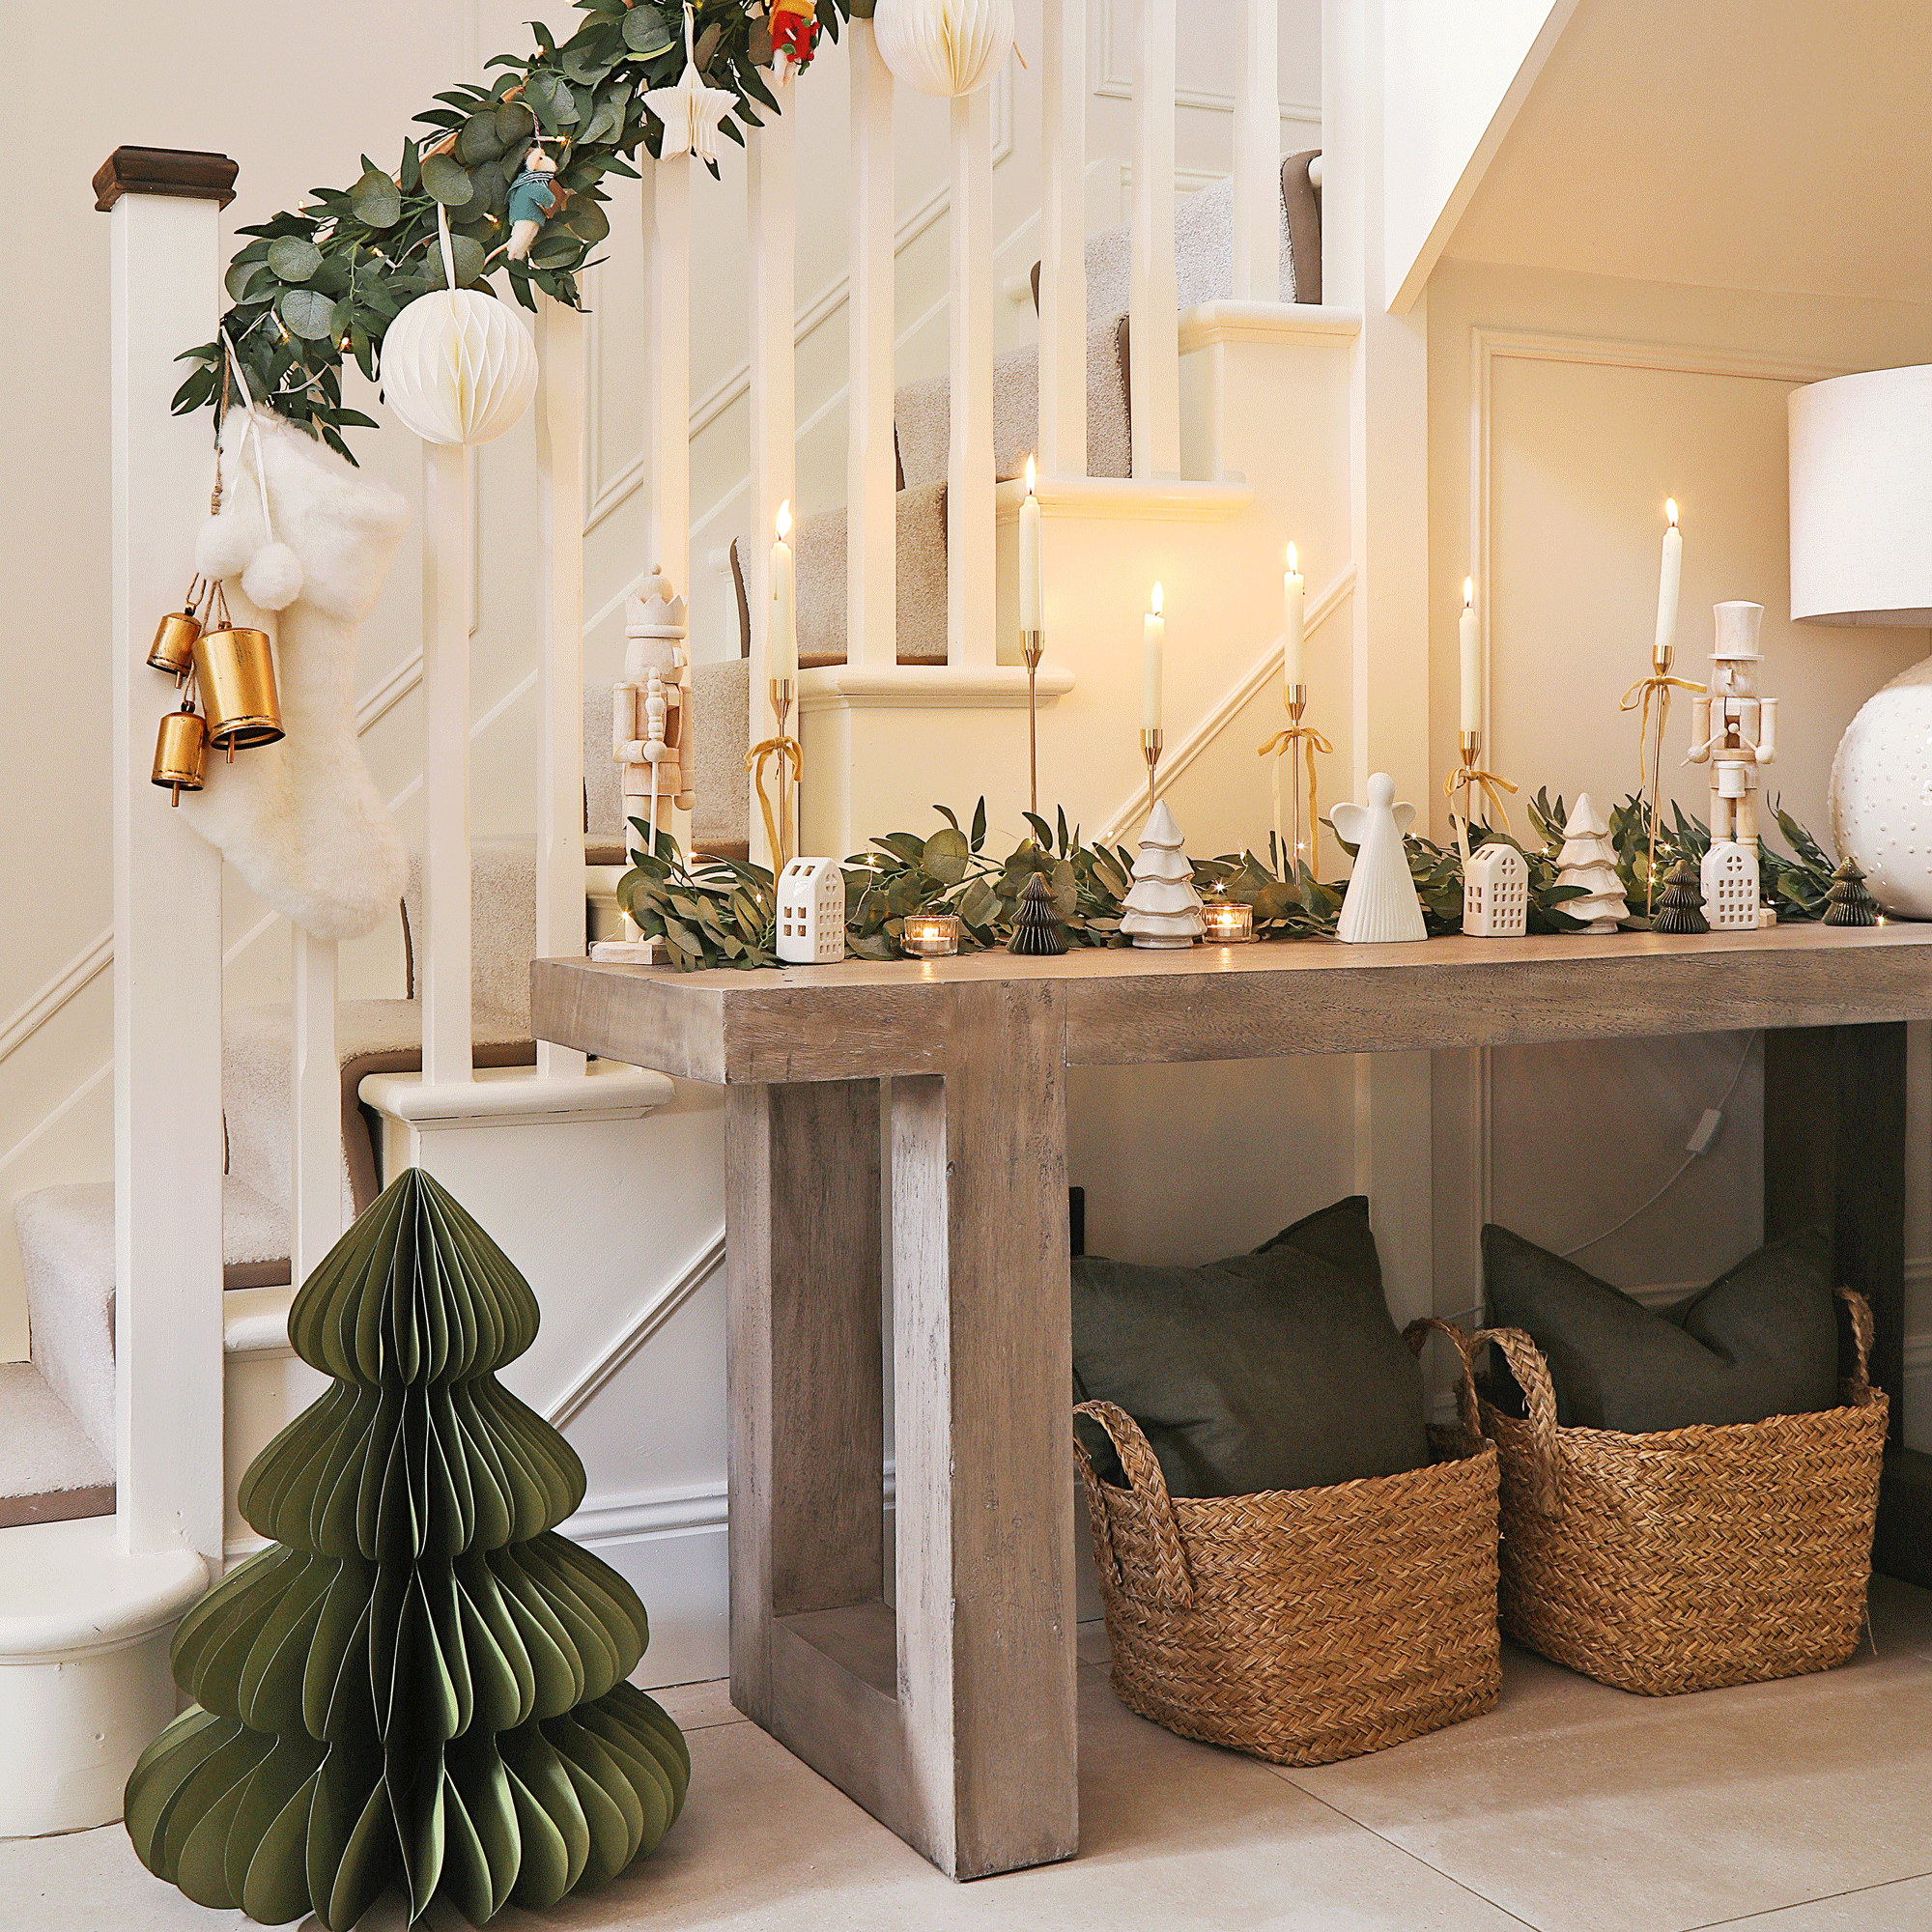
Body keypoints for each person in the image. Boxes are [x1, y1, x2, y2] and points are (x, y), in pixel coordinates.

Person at [505, 141, 560, 261]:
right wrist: (550, 202)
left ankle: (518, 252)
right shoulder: (533, 182)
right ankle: (513, 251)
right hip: (526, 213)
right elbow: (539, 192)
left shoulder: (528, 179)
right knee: (524, 232)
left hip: (528, 214)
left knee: (530, 232)